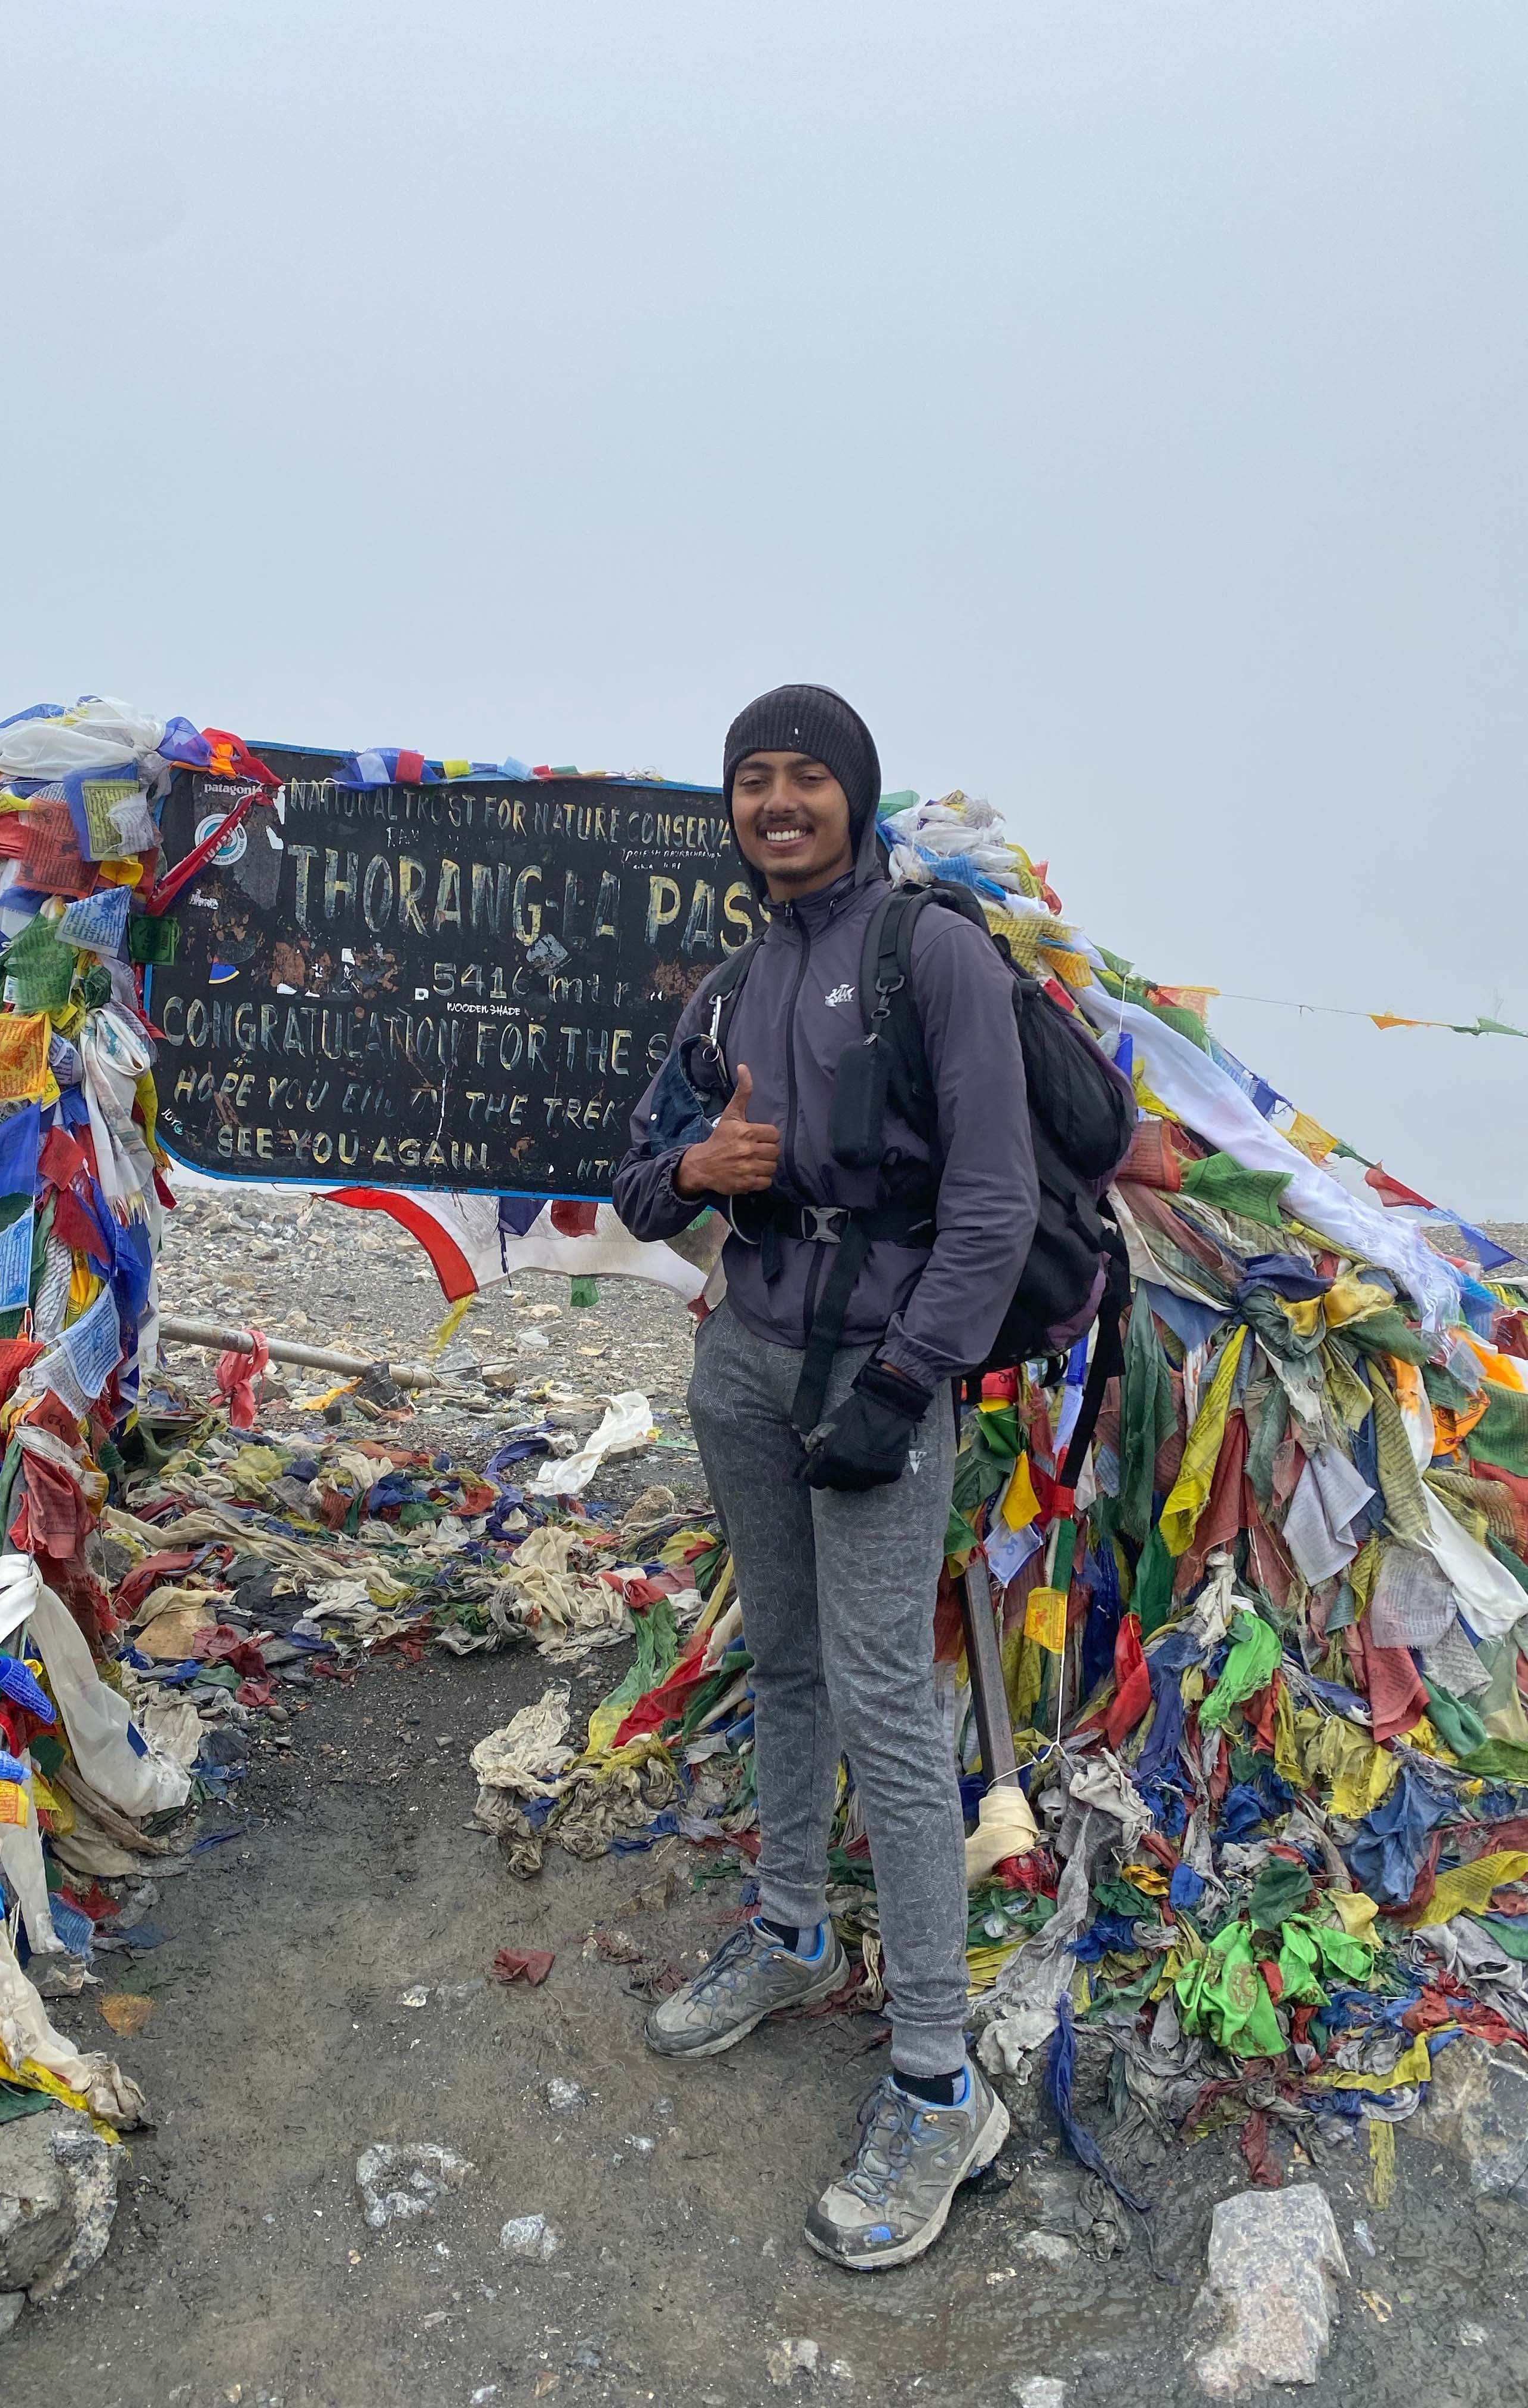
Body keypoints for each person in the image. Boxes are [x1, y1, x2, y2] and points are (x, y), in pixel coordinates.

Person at [611, 684, 1038, 2271]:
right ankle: (792, 1927)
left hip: (880, 1374)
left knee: (883, 1706)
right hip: (744, 1364)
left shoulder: (930, 956)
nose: (777, 804)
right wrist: (701, 1173)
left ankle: (938, 2082)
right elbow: (638, 1176)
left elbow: (989, 1207)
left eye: (805, 779)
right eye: (753, 783)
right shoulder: (729, 985)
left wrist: (909, 1387)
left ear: (853, 797)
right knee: (780, 1661)